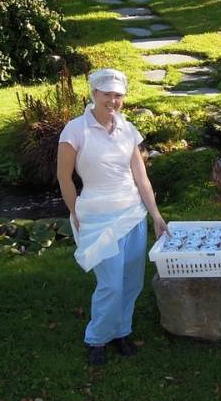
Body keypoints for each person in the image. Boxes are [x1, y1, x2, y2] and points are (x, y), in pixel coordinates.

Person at [57, 68, 168, 366]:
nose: (113, 100)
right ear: (93, 94)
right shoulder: (75, 130)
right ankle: (97, 338)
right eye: (107, 94)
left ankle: (121, 331)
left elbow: (141, 177)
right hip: (97, 216)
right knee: (111, 284)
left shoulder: (127, 129)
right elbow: (64, 178)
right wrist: (74, 211)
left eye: (118, 95)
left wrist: (155, 215)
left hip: (132, 214)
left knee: (132, 281)